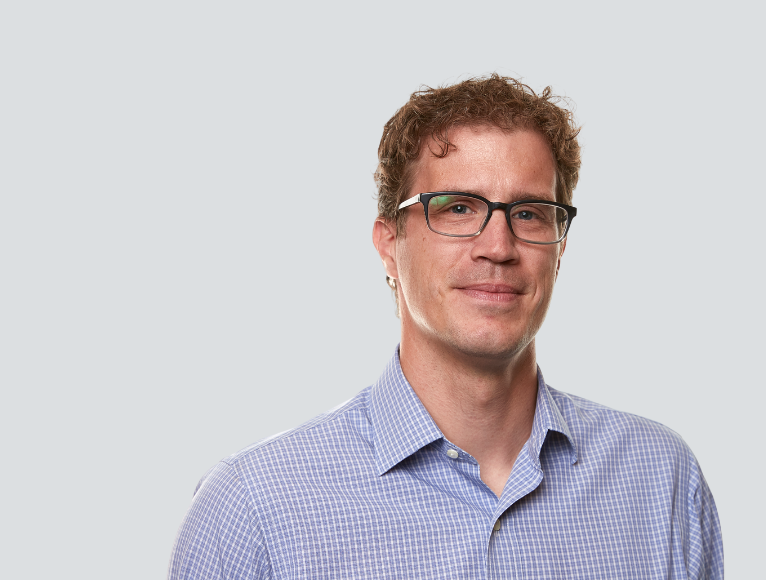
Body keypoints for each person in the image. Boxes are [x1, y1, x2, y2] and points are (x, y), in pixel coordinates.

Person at [169, 74, 723, 579]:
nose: (498, 247)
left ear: (561, 245)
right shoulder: (253, 509)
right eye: (458, 208)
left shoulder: (662, 484)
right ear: (390, 243)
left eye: (529, 212)